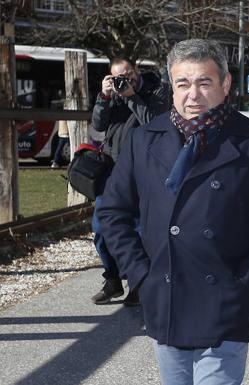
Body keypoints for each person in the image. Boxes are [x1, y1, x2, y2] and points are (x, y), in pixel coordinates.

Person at [97, 39, 249, 385]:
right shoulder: (144, 139)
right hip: (165, 296)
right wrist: (141, 275)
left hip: (224, 301)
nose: (193, 94)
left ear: (225, 85)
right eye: (183, 83)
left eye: (204, 82)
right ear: (171, 87)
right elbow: (113, 212)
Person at [90, 57, 171, 306]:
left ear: (136, 70)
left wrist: (131, 96)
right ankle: (113, 279)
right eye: (118, 77)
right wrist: (103, 98)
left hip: (146, 169)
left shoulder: (157, 89)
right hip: (115, 169)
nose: (125, 80)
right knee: (102, 226)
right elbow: (97, 125)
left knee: (139, 229)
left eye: (128, 74)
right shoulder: (112, 93)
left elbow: (154, 124)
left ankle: (138, 281)